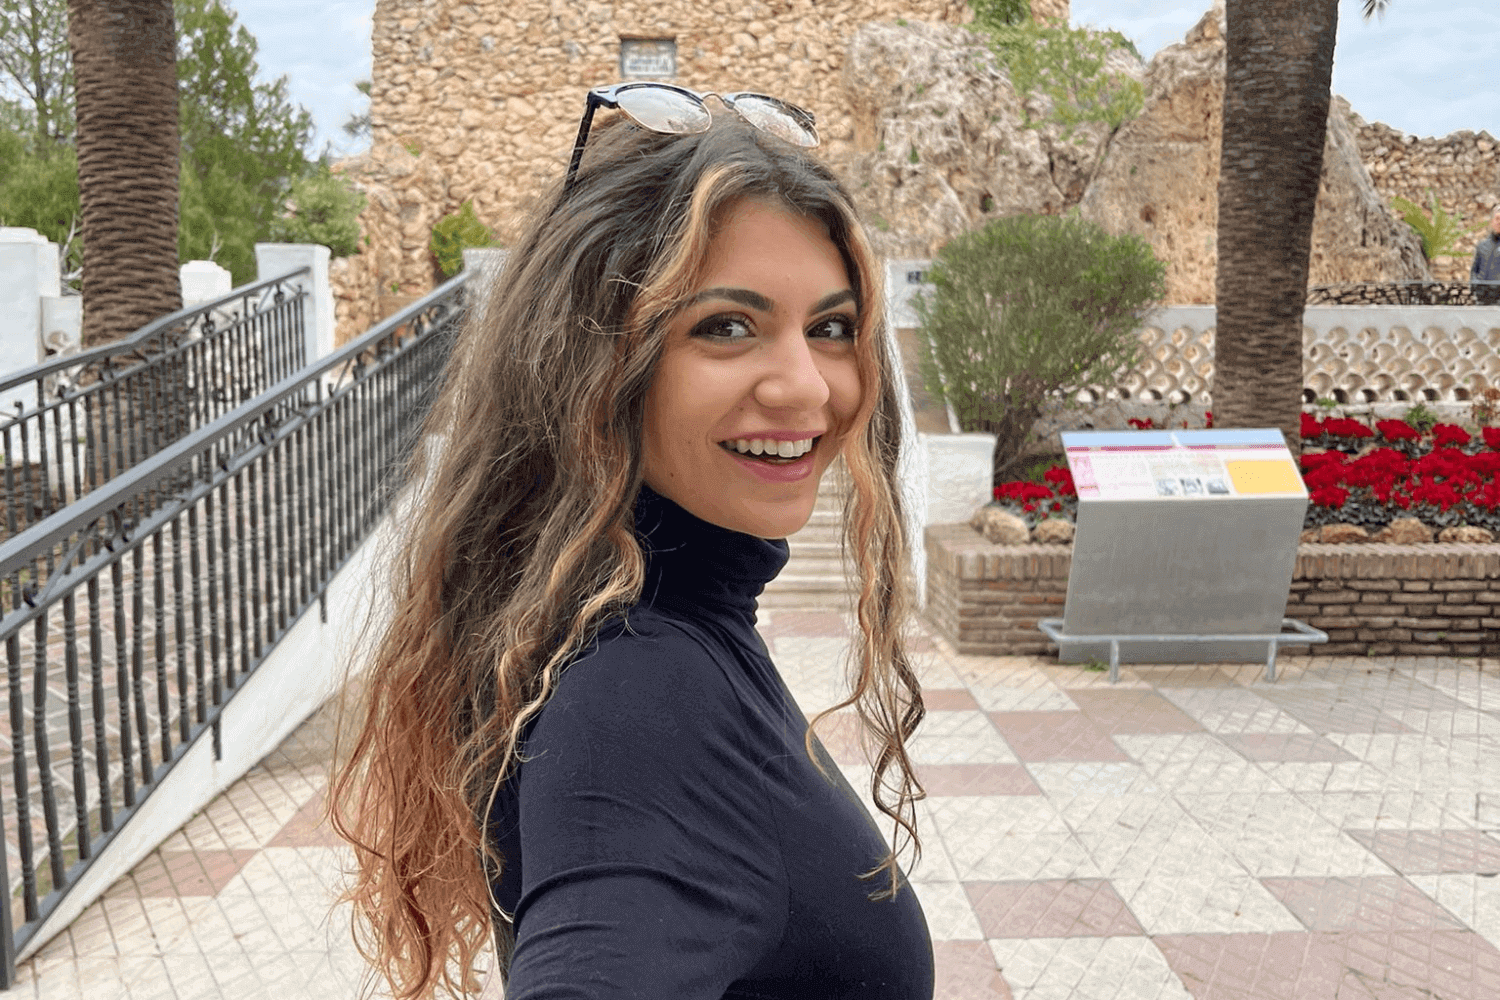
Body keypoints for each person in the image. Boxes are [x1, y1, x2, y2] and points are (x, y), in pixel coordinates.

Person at [328, 82, 933, 1000]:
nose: (807, 387)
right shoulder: (643, 689)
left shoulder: (654, 627)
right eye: (727, 327)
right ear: (593, 363)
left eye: (832, 328)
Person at [1472, 203, 1500, 305]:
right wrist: (1475, 286)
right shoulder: (1482, 246)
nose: (1499, 222)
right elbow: (1474, 270)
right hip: (1482, 301)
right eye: (1497, 219)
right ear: (1492, 221)